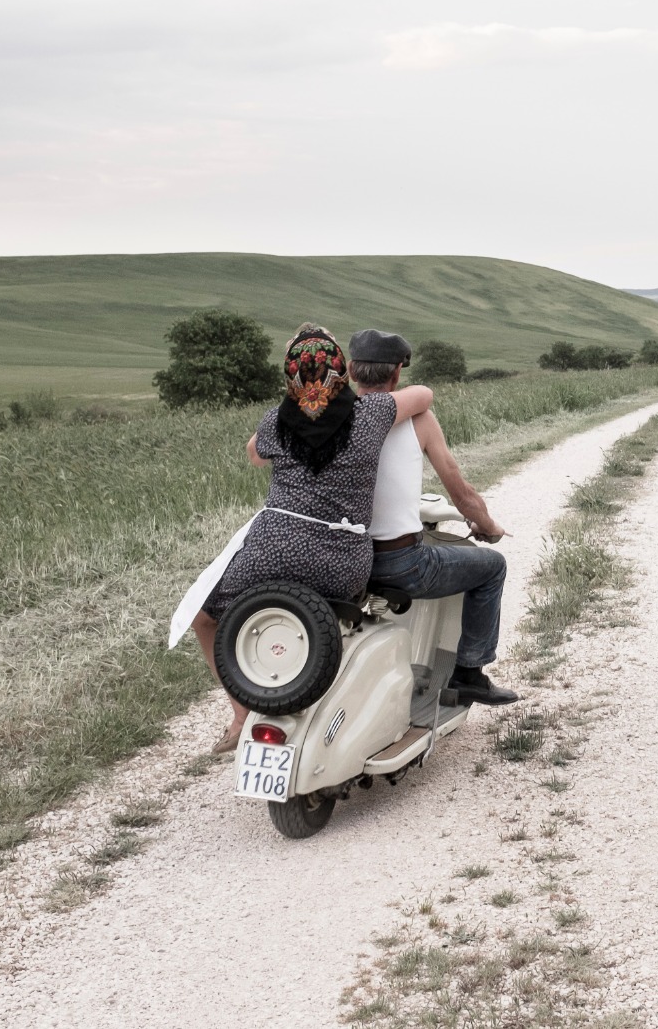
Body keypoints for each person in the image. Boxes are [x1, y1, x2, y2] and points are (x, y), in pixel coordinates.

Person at [177, 323, 435, 754]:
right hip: (343, 561)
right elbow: (424, 395)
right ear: (343, 370)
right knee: (342, 615)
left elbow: (254, 454)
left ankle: (241, 714)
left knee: (204, 617)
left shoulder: (277, 420)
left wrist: (293, 405)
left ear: (291, 374)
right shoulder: (372, 413)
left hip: (270, 550)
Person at [346, 328, 518, 708]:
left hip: (346, 561)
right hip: (400, 564)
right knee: (492, 567)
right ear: (397, 374)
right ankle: (469, 675)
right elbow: (462, 494)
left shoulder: (333, 418)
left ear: (352, 370)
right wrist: (489, 527)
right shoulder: (418, 419)